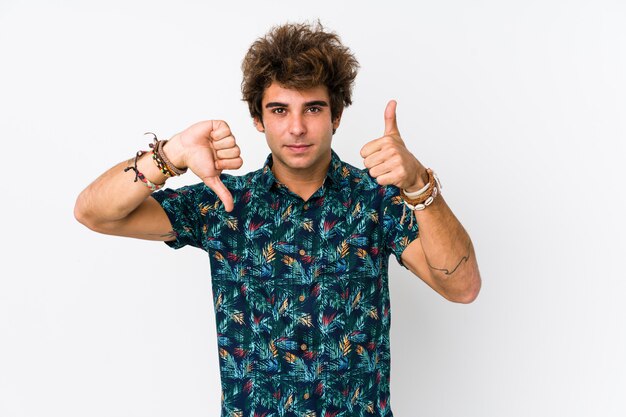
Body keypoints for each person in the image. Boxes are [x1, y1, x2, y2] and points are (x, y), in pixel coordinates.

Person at [75, 21, 481, 417]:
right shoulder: (223, 204)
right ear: (258, 119)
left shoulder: (376, 201)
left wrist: (418, 186)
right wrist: (173, 153)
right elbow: (95, 213)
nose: (297, 127)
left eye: (314, 108)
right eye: (280, 109)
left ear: (336, 116)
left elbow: (462, 287)